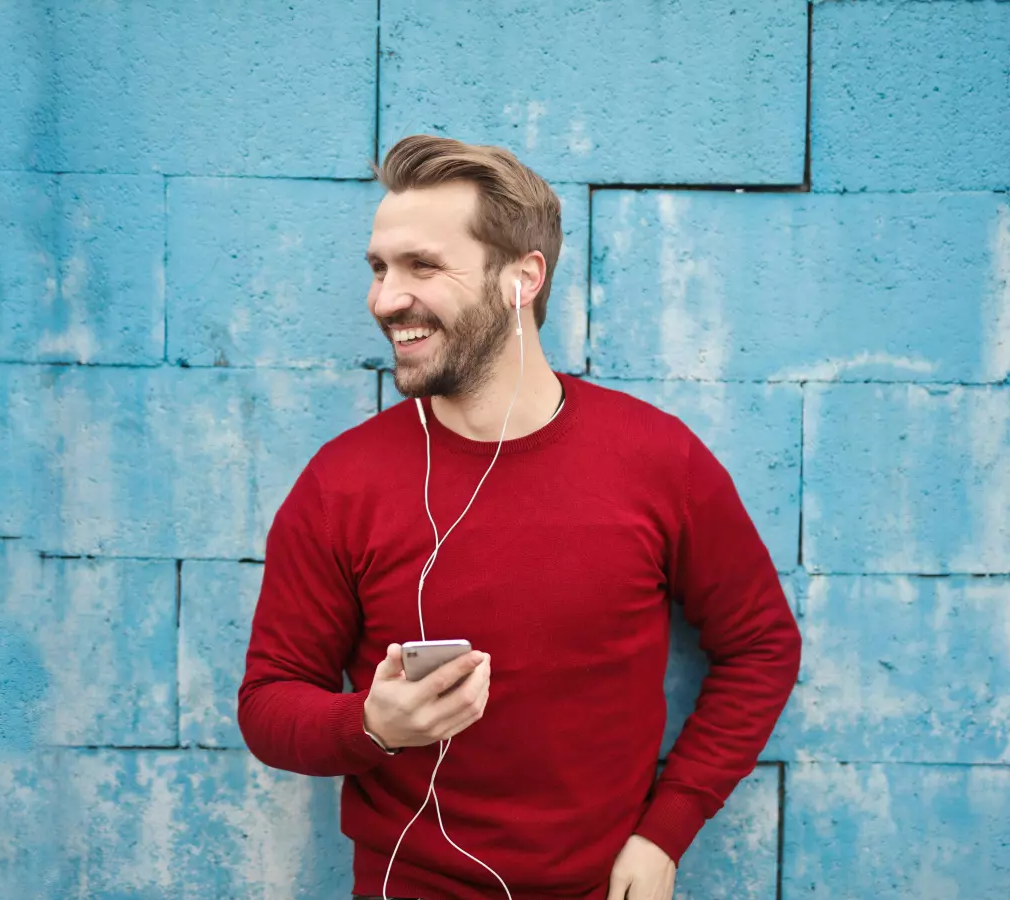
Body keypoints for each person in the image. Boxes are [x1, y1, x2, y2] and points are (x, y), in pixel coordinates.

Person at [237, 134, 801, 900]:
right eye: (378, 268)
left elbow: (760, 646)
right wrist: (371, 726)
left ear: (521, 278)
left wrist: (666, 831)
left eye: (423, 267)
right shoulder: (341, 485)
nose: (383, 298)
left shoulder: (655, 459)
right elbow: (270, 701)